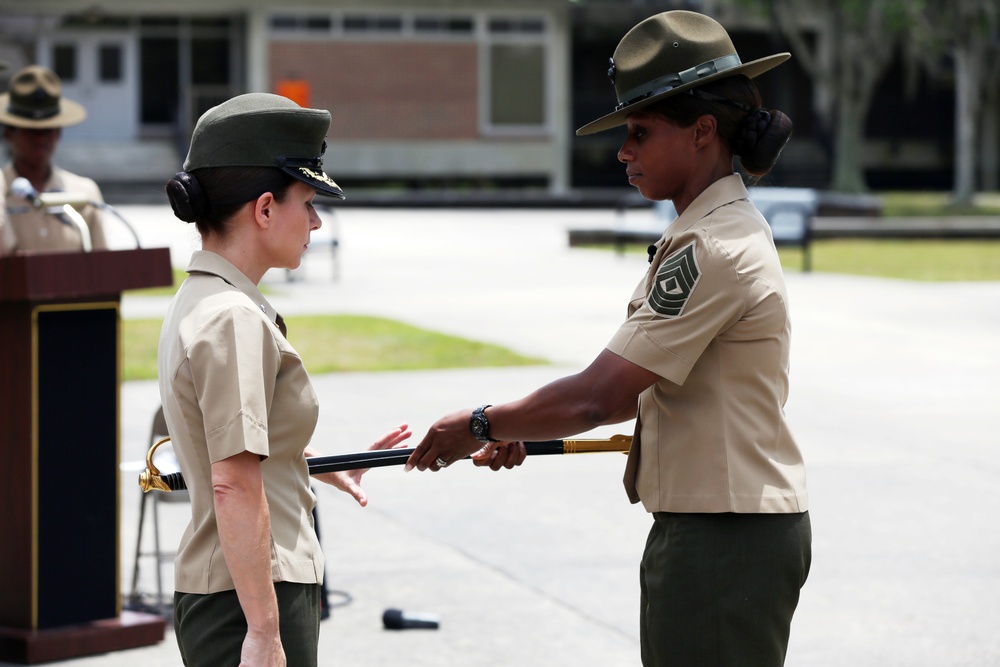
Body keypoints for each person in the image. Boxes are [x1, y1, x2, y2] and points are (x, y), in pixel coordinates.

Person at [406, 10, 811, 667]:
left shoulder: (712, 245)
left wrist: (478, 424)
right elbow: (641, 399)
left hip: (723, 538)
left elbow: (601, 395)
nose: (624, 151)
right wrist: (522, 427)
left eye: (640, 132)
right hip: (723, 529)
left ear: (703, 131)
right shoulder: (711, 232)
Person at [159, 93, 411, 667]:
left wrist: (309, 460)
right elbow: (232, 480)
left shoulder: (205, 298)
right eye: (308, 200)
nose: (317, 220)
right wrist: (265, 633)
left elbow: (226, 434)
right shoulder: (231, 317)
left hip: (234, 591)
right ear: (266, 208)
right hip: (249, 596)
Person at [0, 65, 107, 254]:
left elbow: (103, 268)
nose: (40, 139)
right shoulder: (1, 192)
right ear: (9, 133)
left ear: (59, 133)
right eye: (30, 131)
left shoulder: (83, 193)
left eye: (48, 130)